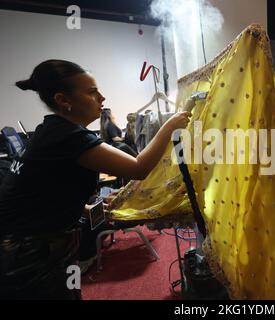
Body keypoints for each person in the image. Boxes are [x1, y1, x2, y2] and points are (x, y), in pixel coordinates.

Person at [0, 59, 191, 300]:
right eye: (92, 92)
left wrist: (86, 208)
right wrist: (171, 125)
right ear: (63, 100)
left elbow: (45, 187)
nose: (102, 98)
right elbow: (139, 168)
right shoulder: (69, 137)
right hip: (29, 254)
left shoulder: (49, 131)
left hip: (34, 244)